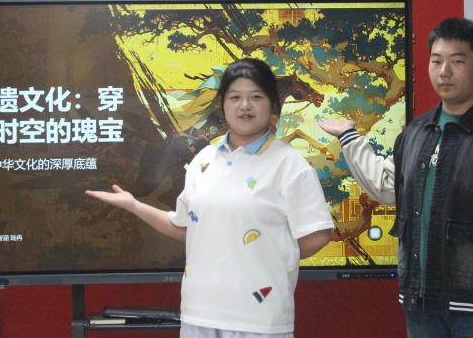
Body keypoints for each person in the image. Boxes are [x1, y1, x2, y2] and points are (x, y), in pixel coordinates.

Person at [319, 18, 473, 338]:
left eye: (457, 61)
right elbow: (388, 187)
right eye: (436, 61)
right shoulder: (417, 132)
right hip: (422, 303)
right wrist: (349, 137)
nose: (444, 72)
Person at [86, 57, 334, 337]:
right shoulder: (203, 160)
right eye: (235, 97)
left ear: (272, 103)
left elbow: (316, 236)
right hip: (198, 314)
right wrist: (134, 205)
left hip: (258, 320)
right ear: (223, 103)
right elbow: (185, 227)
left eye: (256, 97)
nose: (245, 106)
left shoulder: (290, 165)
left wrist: (269, 257)